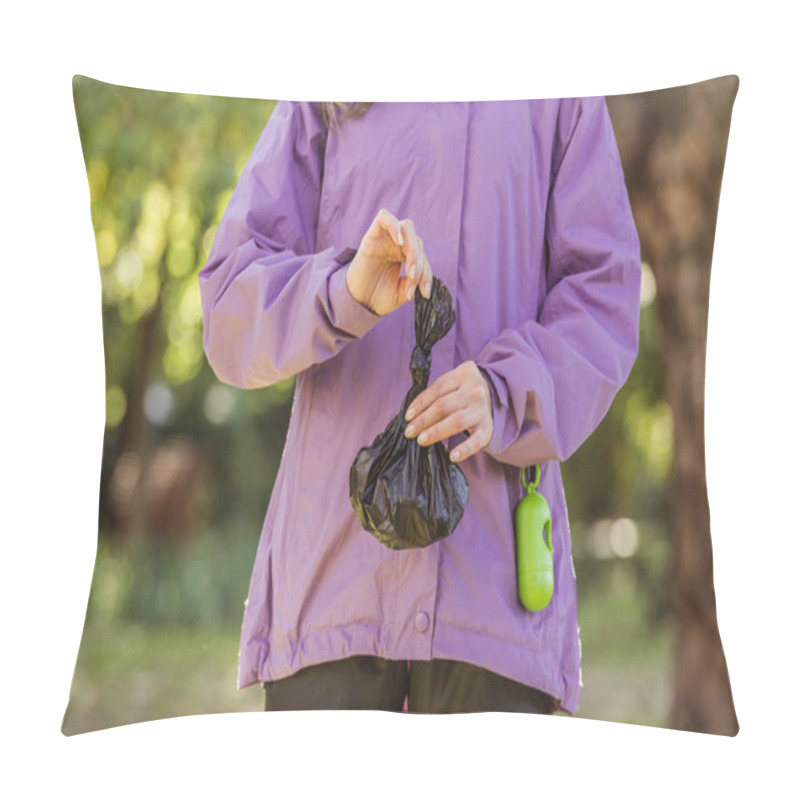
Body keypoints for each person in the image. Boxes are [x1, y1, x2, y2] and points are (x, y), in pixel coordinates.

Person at [199, 98, 641, 714]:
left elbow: (605, 303)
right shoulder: (328, 76)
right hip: (332, 596)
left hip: (494, 611)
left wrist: (505, 391)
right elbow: (228, 312)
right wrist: (343, 292)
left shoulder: (558, 86)